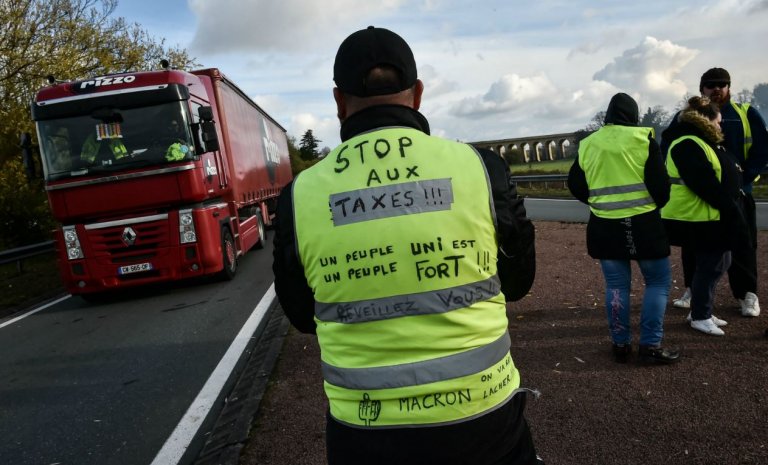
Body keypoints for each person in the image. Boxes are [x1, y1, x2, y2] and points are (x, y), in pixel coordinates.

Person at [272, 26, 541, 465]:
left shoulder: (299, 196)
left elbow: (302, 316)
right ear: (417, 94)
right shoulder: (481, 168)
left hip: (364, 431)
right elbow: (518, 283)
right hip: (484, 420)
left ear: (339, 101)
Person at [568, 93, 678, 364]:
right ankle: (650, 345)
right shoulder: (642, 139)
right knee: (657, 283)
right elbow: (661, 186)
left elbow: (575, 184)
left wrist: (598, 201)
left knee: (616, 286)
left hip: (604, 223)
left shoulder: (588, 144)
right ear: (634, 116)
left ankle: (620, 344)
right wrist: (652, 205)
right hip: (644, 223)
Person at [662, 68, 768, 317]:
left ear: (729, 87)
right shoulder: (684, 117)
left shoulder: (745, 113)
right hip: (698, 194)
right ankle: (693, 291)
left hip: (739, 192)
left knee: (743, 244)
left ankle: (746, 294)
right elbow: (667, 147)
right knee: (694, 246)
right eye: (711, 85)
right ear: (702, 89)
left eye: (722, 84)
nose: (717, 88)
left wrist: (743, 179)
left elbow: (762, 149)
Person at [661, 96, 748, 336]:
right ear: (706, 120)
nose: (720, 126)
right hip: (697, 216)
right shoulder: (688, 143)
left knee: (717, 263)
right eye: (718, 122)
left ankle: (701, 310)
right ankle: (700, 315)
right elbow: (704, 183)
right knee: (712, 265)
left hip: (705, 215)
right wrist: (729, 207)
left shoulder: (698, 141)